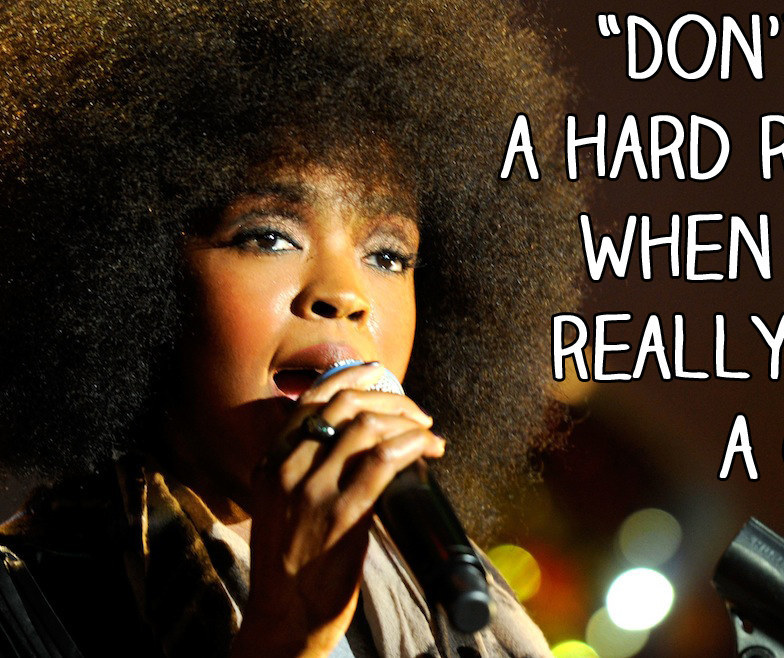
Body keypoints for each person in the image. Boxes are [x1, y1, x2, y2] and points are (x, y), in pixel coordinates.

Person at [0, 0, 583, 655]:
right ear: (131, 272)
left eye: (388, 256)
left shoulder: (459, 596)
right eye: (269, 237)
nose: (344, 295)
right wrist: (286, 635)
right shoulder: (28, 600)